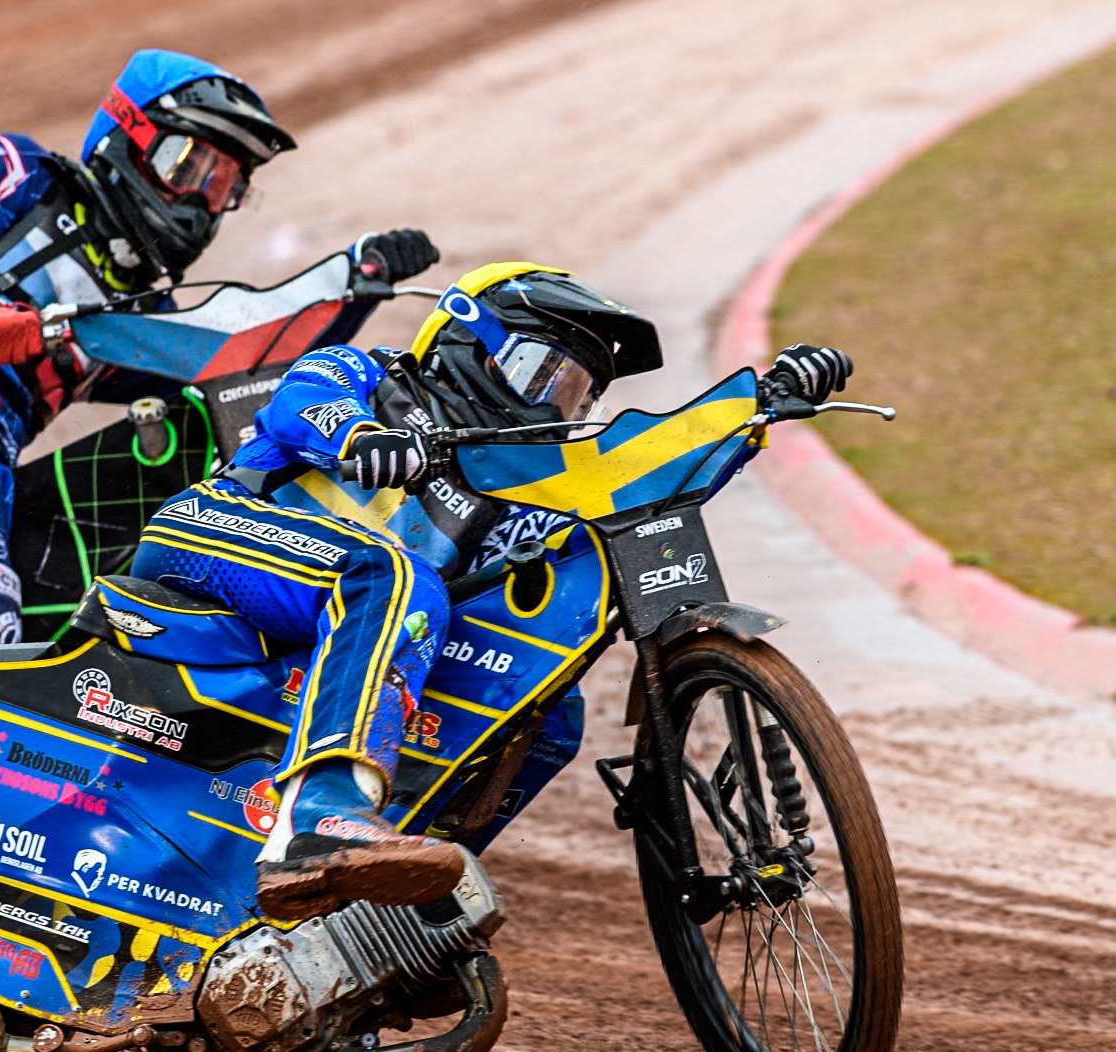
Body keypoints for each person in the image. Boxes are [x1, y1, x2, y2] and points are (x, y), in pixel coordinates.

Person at [131, 261, 855, 920]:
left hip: (337, 606)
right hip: (214, 536)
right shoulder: (371, 374)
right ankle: (323, 809)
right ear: (463, 342)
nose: (556, 402)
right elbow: (301, 402)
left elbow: (640, 472)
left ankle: (389, 903)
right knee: (393, 575)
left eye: (577, 388)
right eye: (541, 369)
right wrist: (358, 437)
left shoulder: (524, 489)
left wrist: (756, 404)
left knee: (549, 707)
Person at [0, 47, 440, 647]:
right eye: (189, 166)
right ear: (125, 138)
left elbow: (236, 358)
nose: (201, 201)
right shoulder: (17, 168)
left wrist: (356, 278)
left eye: (224, 186)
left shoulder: (135, 309)